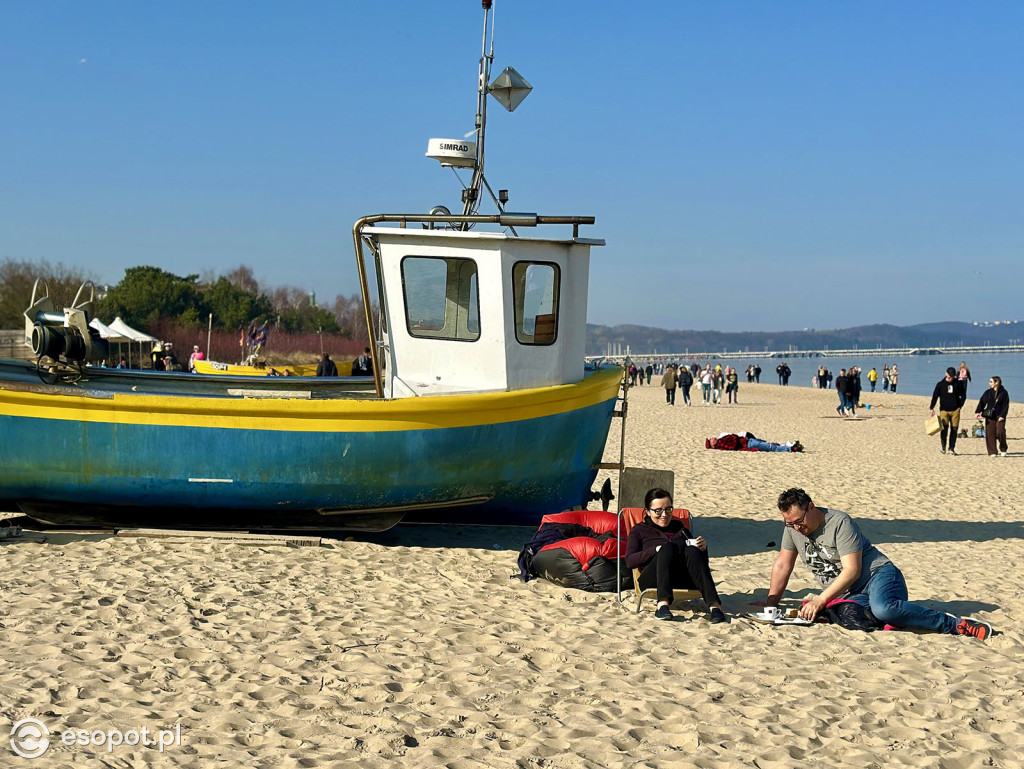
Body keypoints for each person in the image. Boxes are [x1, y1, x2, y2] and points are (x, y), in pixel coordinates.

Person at [766, 488, 992, 639]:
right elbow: (783, 565)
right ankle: (892, 618)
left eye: (799, 521)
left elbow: (852, 570)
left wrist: (821, 599)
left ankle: (953, 624)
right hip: (851, 592)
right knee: (844, 616)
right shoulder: (792, 529)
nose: (796, 528)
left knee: (884, 608)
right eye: (789, 523)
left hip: (879, 576)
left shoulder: (839, 522)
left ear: (811, 507)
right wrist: (771, 602)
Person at [624, 488, 726, 623]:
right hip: (653, 579)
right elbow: (630, 561)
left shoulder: (681, 529)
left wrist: (702, 549)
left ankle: (715, 607)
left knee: (691, 550)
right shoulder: (639, 530)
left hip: (682, 578)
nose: (664, 514)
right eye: (658, 510)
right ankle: (662, 606)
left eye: (668, 509)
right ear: (648, 512)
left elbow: (700, 564)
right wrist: (655, 550)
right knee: (668, 548)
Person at [929, 367, 967, 455]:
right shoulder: (940, 384)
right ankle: (943, 447)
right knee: (944, 429)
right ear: (946, 374)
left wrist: (960, 406)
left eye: (953, 377)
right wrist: (931, 408)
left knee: (954, 429)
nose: (951, 378)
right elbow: (935, 396)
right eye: (950, 376)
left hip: (955, 410)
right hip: (944, 410)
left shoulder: (958, 384)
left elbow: (964, 395)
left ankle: (951, 448)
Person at [975, 376, 1010, 457]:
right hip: (989, 415)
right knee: (990, 433)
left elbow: (1006, 405)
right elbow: (982, 402)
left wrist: (1003, 415)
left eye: (991, 382)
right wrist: (978, 411)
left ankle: (1003, 448)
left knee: (1000, 431)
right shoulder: (988, 392)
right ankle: (992, 451)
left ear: (996, 382)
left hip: (1000, 416)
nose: (989, 383)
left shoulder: (1004, 393)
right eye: (989, 381)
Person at [706, 433, 803, 452]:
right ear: (713, 445)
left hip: (747, 440)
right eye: (710, 440)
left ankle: (789, 446)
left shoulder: (720, 439)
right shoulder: (721, 443)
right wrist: (735, 437)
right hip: (748, 444)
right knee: (770, 447)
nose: (711, 438)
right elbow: (732, 446)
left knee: (768, 445)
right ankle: (791, 448)